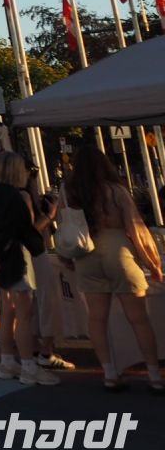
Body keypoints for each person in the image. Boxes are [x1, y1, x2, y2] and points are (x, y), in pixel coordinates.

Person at [65, 144, 164, 392]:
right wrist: (153, 262)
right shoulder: (115, 191)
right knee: (139, 319)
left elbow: (64, 226)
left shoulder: (68, 192)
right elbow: (135, 228)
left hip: (86, 253)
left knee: (97, 318)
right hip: (118, 250)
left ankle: (110, 373)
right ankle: (154, 374)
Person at [0, 150, 59, 386]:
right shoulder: (19, 197)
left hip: (3, 257)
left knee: (9, 312)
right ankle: (28, 366)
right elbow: (25, 230)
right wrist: (49, 215)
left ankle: (7, 362)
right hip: (19, 256)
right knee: (24, 315)